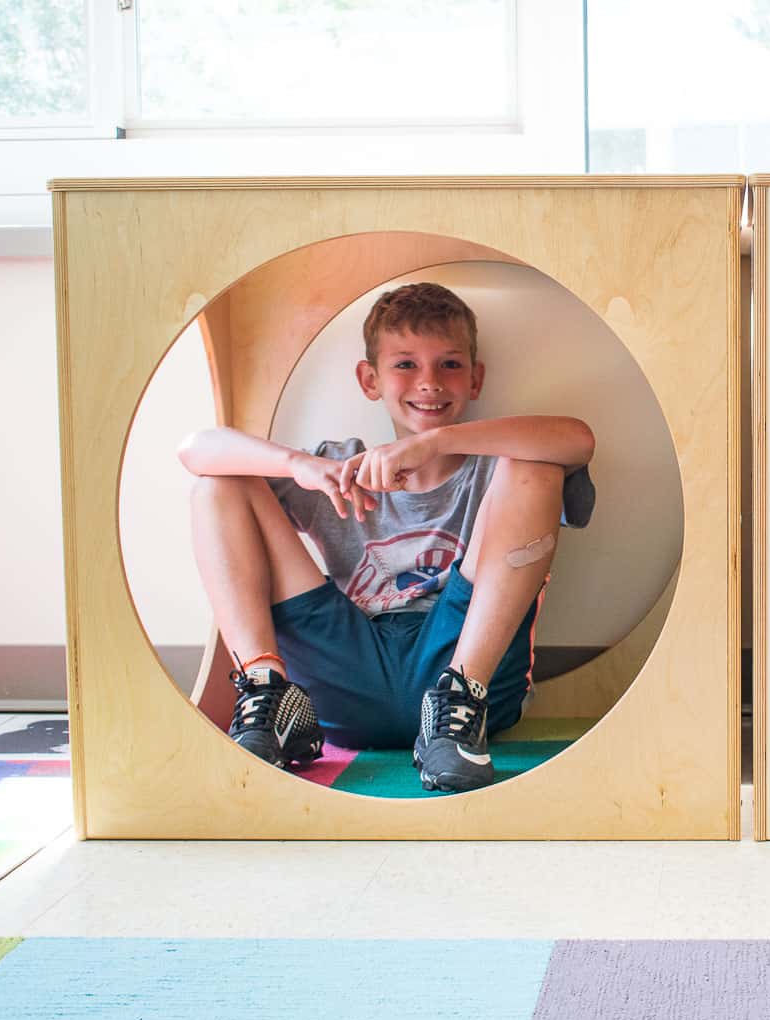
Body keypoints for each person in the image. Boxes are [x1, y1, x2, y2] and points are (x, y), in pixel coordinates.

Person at [178, 281, 595, 793]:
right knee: (216, 489)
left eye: (449, 364)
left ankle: (458, 699)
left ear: (475, 378)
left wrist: (436, 442)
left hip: (466, 673)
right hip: (346, 669)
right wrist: (299, 465)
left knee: (537, 470)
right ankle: (266, 692)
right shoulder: (336, 466)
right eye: (405, 365)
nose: (429, 382)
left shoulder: (494, 467)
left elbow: (577, 439)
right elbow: (196, 450)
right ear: (369, 379)